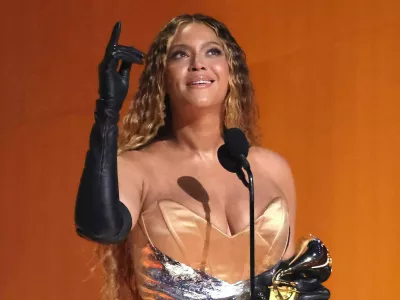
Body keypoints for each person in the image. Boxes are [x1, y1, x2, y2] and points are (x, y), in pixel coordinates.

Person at [75, 13, 330, 300]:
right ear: (162, 78)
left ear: (231, 71)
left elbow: (289, 284)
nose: (198, 63)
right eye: (180, 55)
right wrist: (107, 112)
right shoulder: (137, 169)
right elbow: (100, 227)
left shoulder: (271, 169)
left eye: (212, 51)